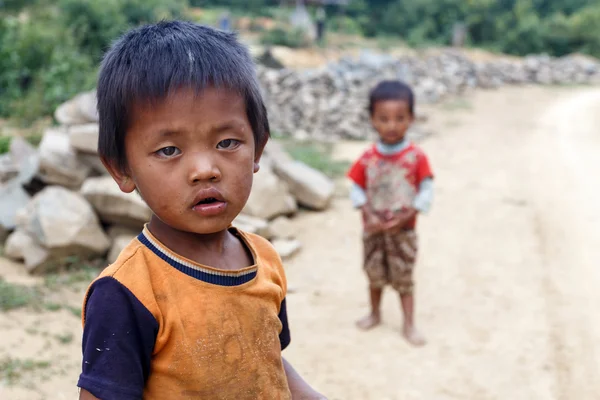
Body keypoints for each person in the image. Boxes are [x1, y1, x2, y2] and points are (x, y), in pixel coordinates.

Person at [77, 21, 325, 400]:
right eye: (169, 150)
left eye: (227, 142)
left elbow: (266, 358)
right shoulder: (128, 293)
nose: (205, 169)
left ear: (257, 150)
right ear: (121, 169)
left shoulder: (265, 260)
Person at [347, 80, 434, 346]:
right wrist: (367, 213)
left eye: (400, 118)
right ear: (373, 120)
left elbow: (426, 191)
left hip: (403, 231)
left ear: (411, 118)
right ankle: (374, 313)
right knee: (374, 273)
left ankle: (409, 323)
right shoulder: (367, 158)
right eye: (383, 119)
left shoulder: (416, 158)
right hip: (373, 229)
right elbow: (356, 187)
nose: (392, 126)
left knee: (404, 276)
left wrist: (406, 217)